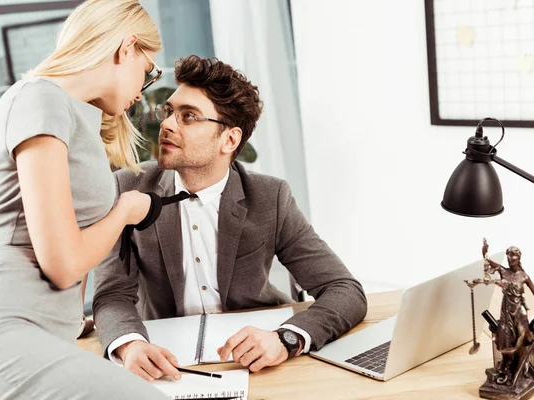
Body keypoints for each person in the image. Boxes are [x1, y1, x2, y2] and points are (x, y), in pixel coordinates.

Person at [0, 1, 170, 398]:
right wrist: (126, 210)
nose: (142, 89)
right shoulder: (38, 97)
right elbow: (62, 265)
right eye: (147, 71)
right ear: (126, 48)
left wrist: (71, 320)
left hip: (37, 330)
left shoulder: (75, 117)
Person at [93, 55, 368, 383]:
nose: (167, 124)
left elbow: (344, 289)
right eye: (169, 112)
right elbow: (112, 294)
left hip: (256, 362)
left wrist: (285, 338)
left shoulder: (270, 197)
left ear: (230, 140)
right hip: (167, 363)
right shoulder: (128, 187)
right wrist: (130, 345)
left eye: (189, 116)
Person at [483, 242, 534, 386]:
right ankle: (507, 366)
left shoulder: (524, 276)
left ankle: (521, 366)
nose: (510, 259)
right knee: (506, 337)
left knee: (523, 337)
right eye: (508, 256)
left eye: (513, 256)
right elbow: (489, 262)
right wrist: (485, 254)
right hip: (506, 311)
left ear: (519, 258)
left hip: (519, 312)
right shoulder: (504, 271)